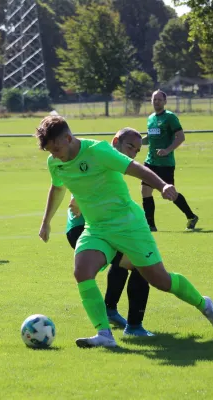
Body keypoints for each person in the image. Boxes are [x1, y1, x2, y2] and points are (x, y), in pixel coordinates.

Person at [36, 116, 213, 348]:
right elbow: (57, 188)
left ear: (68, 138)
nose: (54, 155)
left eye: (56, 148)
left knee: (161, 281)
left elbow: (135, 167)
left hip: (129, 225)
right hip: (97, 228)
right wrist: (46, 222)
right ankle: (104, 334)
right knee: (82, 271)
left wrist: (162, 185)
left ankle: (203, 304)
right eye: (50, 151)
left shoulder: (98, 151)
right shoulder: (54, 162)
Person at [65, 128, 152, 337]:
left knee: (124, 262)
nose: (132, 153)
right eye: (130, 147)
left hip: (101, 229)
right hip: (85, 230)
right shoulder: (101, 154)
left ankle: (110, 310)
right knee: (142, 265)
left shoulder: (111, 161)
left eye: (137, 151)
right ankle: (134, 327)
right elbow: (83, 183)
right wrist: (75, 200)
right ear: (116, 141)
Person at [141, 90, 199, 232]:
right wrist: (135, 141)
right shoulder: (150, 118)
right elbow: (150, 137)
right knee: (145, 191)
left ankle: (191, 216)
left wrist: (167, 150)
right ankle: (151, 226)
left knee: (169, 194)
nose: (157, 102)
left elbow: (180, 137)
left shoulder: (170, 117)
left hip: (165, 163)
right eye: (154, 99)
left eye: (160, 99)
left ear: (165, 102)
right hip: (150, 161)